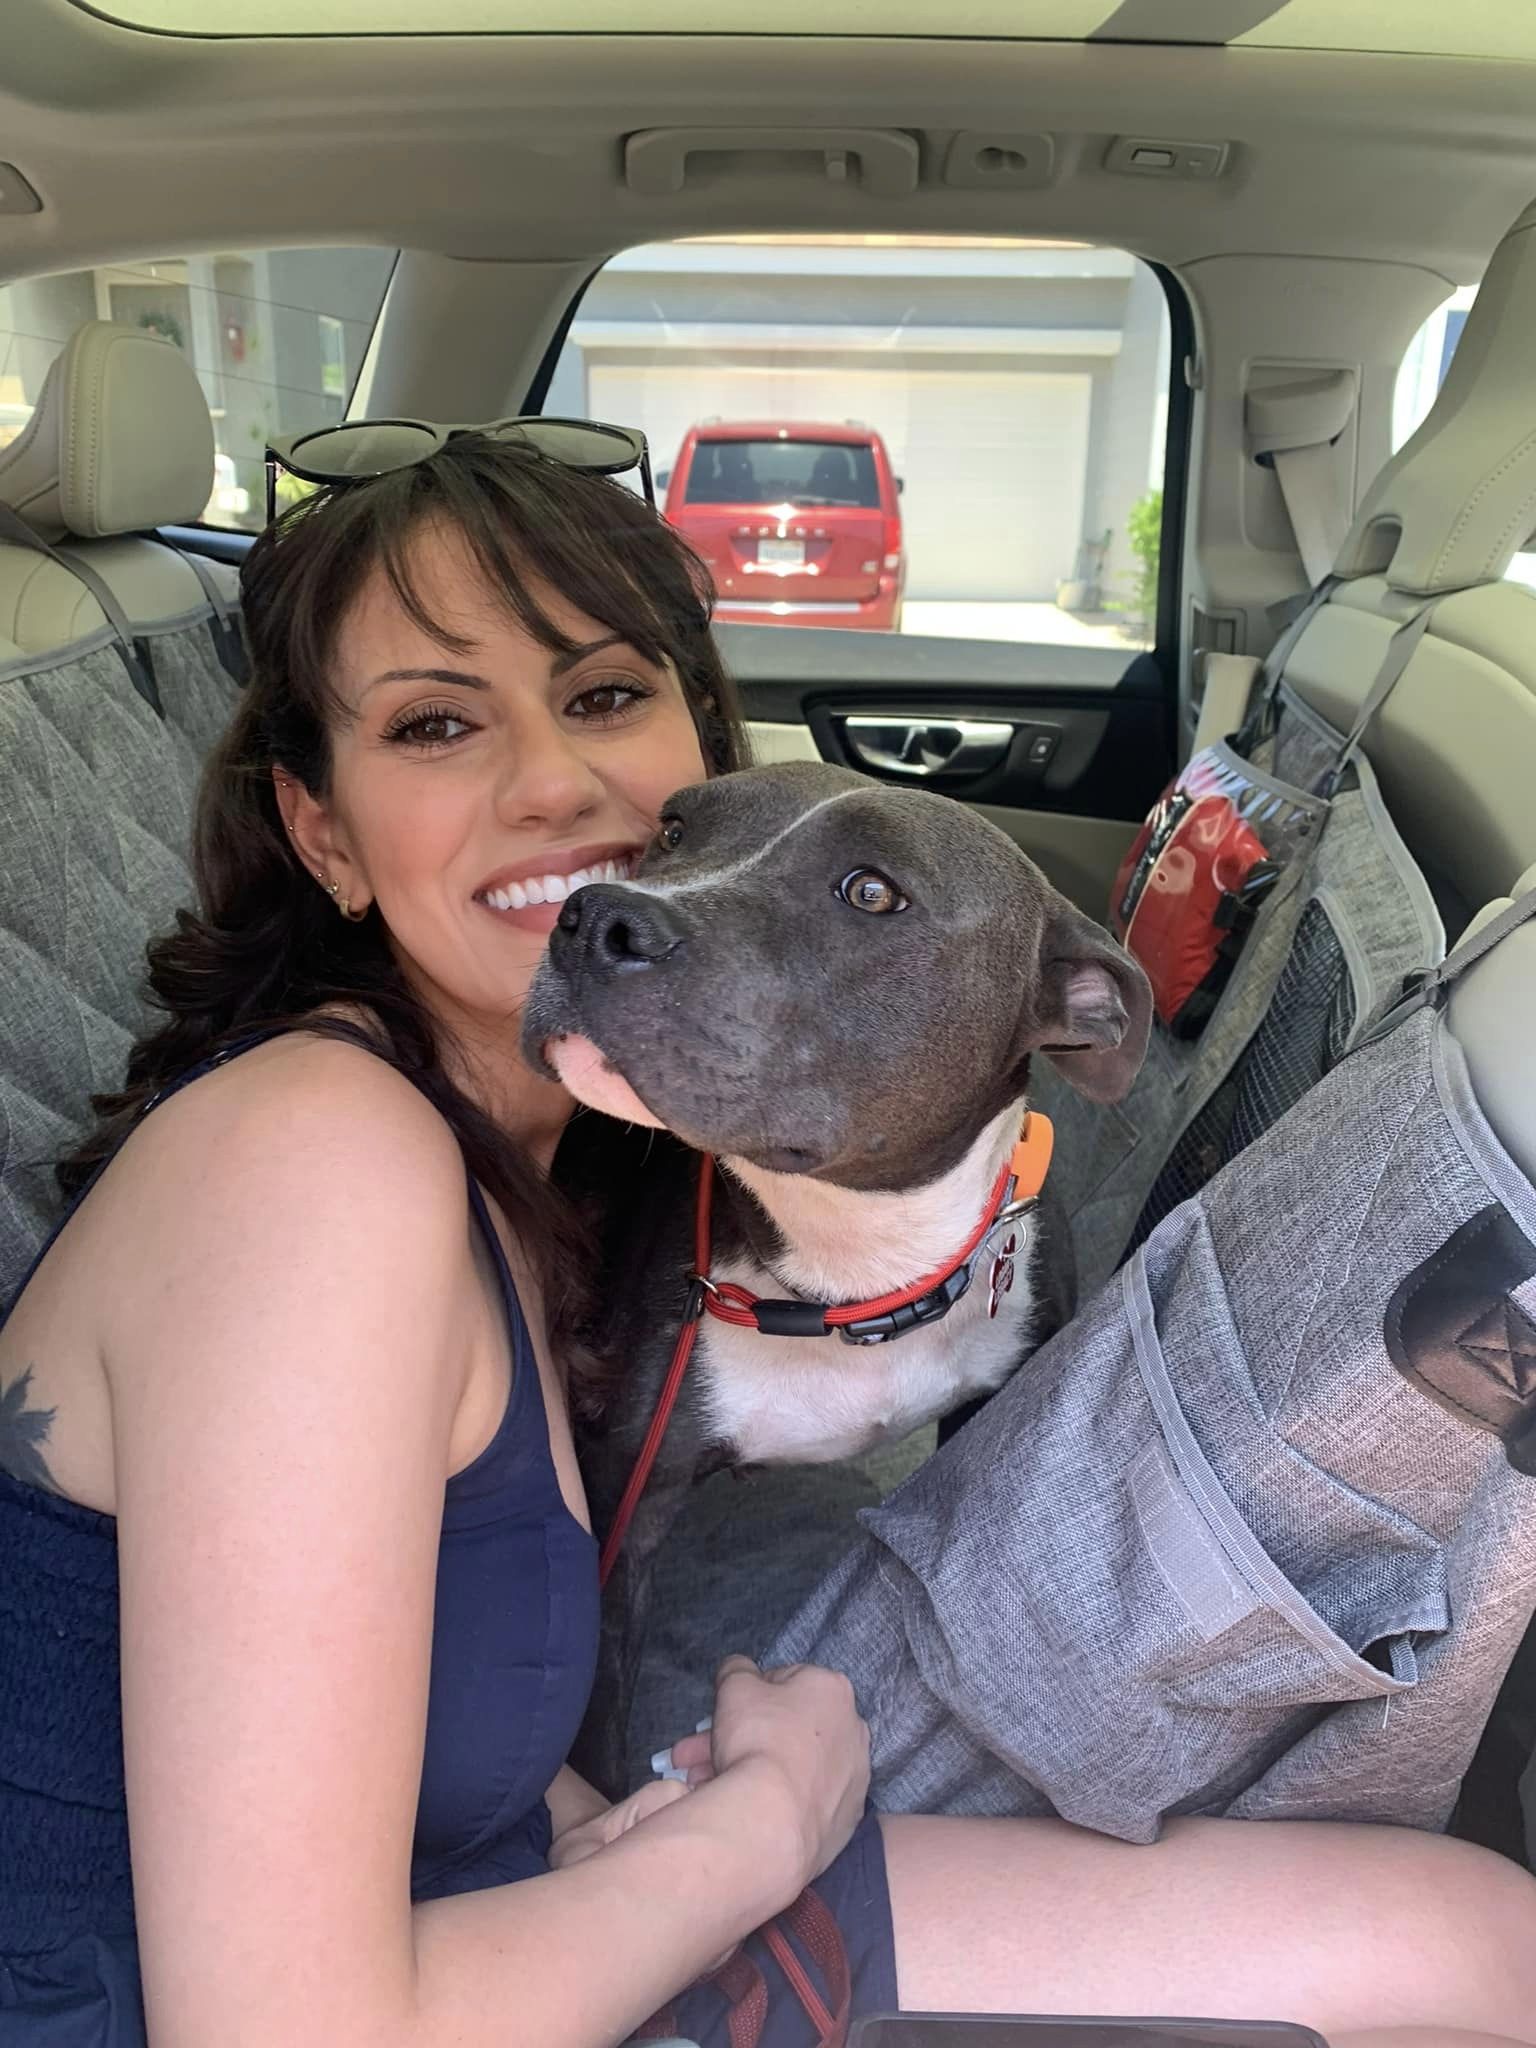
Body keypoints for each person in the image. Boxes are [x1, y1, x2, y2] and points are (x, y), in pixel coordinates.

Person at [1, 431, 1533, 2048]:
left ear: (710, 753)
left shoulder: (533, 1155)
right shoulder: (316, 1173)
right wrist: (759, 1829)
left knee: (1473, 1945)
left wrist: (616, 1820)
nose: (552, 788)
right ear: (323, 835)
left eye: (601, 697)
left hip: (468, 1894)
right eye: (438, 724)